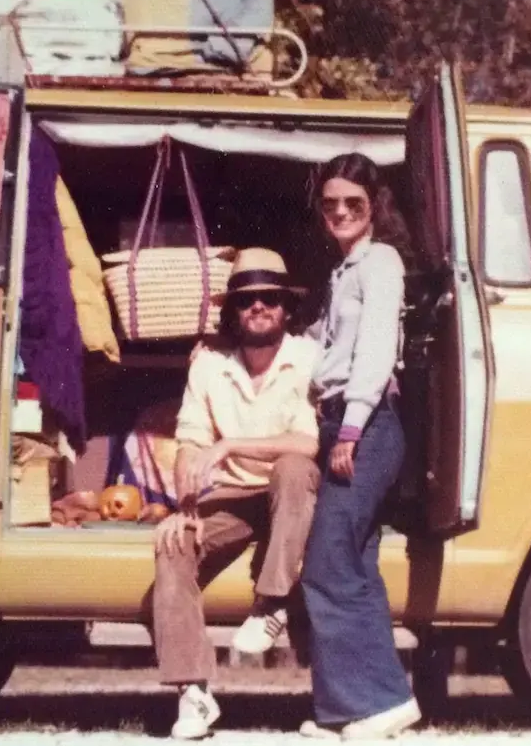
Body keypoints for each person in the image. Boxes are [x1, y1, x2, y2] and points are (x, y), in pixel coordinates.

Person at [151, 247, 321, 740]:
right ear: (233, 312)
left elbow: (308, 443)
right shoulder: (209, 366)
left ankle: (270, 606)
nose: (259, 307)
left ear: (287, 308)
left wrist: (231, 444)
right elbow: (190, 438)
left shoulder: (307, 358)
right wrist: (184, 506)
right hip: (234, 497)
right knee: (173, 544)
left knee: (290, 469)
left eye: (270, 298)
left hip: (294, 496)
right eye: (247, 300)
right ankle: (193, 695)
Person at [298, 153, 422, 739]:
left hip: (366, 427)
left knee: (327, 562)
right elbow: (323, 346)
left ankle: (383, 701)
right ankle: (349, 710)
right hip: (341, 421)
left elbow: (374, 350)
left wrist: (350, 429)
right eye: (330, 205)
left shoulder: (382, 263)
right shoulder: (344, 271)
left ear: (374, 205)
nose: (340, 213)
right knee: (354, 565)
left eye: (353, 202)